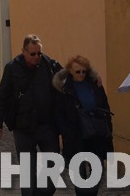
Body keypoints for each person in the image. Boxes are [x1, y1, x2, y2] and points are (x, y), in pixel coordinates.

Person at [0, 34, 63, 196]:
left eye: (39, 53)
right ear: (23, 51)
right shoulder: (12, 68)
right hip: (23, 126)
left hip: (47, 125)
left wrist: (93, 77)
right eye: (33, 54)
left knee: (52, 167)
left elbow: (70, 75)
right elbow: (2, 96)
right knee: (27, 171)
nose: (37, 57)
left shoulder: (49, 64)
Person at [53, 55, 113, 196]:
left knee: (97, 170)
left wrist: (108, 129)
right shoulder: (64, 89)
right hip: (75, 135)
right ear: (70, 71)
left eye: (83, 72)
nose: (81, 75)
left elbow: (105, 106)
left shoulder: (95, 85)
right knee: (79, 173)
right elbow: (58, 113)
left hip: (96, 133)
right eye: (77, 71)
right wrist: (65, 132)